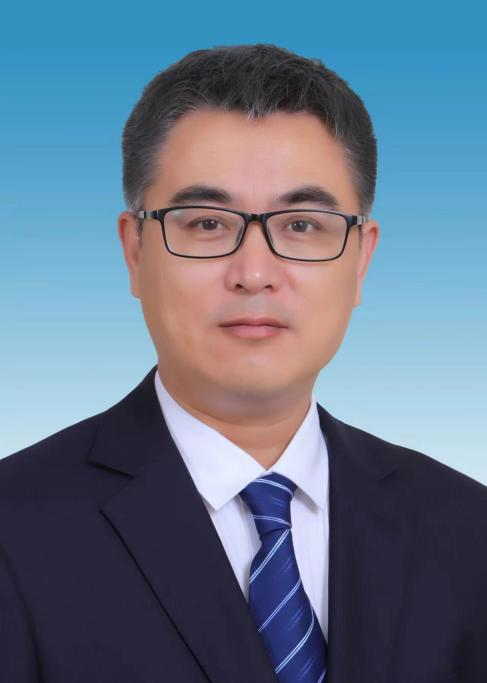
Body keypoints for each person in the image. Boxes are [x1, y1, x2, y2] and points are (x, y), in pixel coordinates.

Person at [1, 43, 486, 683]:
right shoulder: (14, 530)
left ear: (362, 258)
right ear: (134, 252)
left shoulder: (467, 531)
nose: (254, 273)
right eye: (206, 223)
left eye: (302, 225)